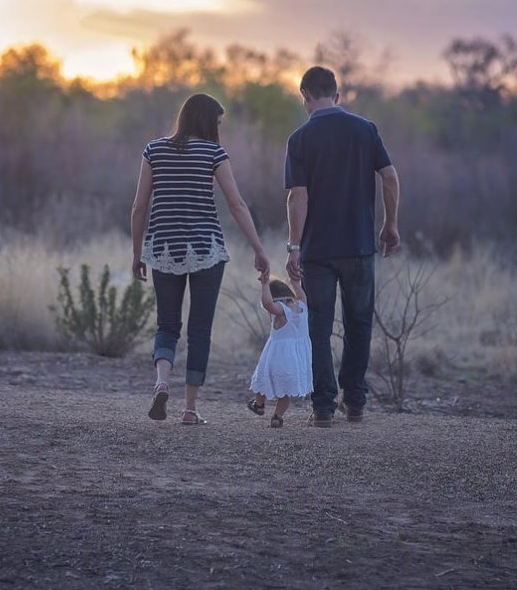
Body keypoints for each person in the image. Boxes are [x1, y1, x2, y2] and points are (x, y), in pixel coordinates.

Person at [131, 93, 269, 425]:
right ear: (208, 121)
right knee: (200, 330)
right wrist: (258, 248)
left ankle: (162, 381)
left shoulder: (154, 150)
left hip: (163, 249)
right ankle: (190, 409)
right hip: (206, 250)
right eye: (218, 122)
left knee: (167, 324)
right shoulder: (213, 153)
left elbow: (139, 207)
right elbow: (236, 205)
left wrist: (137, 253)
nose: (220, 129)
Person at [284, 66, 401, 427]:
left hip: (318, 251)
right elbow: (390, 176)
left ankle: (322, 407)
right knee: (359, 324)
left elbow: (297, 197)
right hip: (360, 246)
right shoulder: (365, 130)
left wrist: (293, 246)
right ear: (337, 95)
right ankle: (355, 402)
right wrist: (390, 223)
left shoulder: (300, 139)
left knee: (318, 328)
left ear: (304, 95)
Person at [246, 276, 313, 428]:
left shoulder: (281, 311)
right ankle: (277, 417)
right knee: (286, 391)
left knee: (263, 380)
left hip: (277, 357)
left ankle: (259, 404)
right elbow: (301, 294)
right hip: (296, 360)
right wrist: (295, 282)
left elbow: (267, 303)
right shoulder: (303, 305)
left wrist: (264, 285)